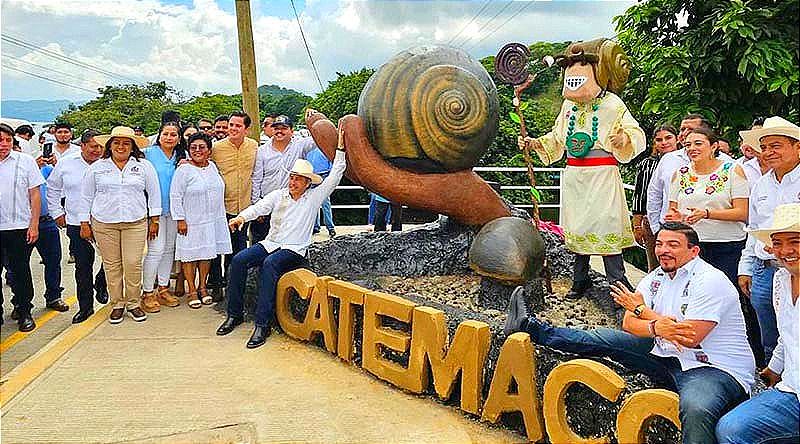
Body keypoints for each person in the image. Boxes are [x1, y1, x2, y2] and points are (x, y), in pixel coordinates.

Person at [505, 222, 755, 444]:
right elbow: (629, 324)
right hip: (664, 355)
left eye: (673, 245)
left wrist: (640, 310)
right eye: (659, 244)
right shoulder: (655, 277)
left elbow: (689, 336)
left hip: (712, 367)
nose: (663, 250)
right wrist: (657, 326)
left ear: (694, 251)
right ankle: (529, 327)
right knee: (601, 338)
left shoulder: (711, 280)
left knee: (696, 408)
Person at [518, 38, 646, 298]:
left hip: (603, 174)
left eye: (582, 64)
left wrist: (624, 139)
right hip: (575, 175)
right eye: (571, 65)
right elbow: (556, 138)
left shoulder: (613, 104)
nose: (575, 71)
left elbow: (634, 132)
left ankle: (617, 285)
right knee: (579, 230)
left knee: (606, 227)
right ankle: (580, 280)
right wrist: (533, 143)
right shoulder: (568, 107)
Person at [216, 126, 347, 349]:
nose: (294, 182)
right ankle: (234, 314)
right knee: (239, 260)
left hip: (294, 249)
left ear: (308, 183)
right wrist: (241, 218)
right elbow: (259, 208)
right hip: (271, 243)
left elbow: (336, 174)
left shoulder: (313, 198)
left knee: (270, 265)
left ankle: (262, 324)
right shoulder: (279, 195)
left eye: (299, 179)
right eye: (292, 177)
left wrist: (341, 148)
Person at [716, 203, 800, 444]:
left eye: (794, 241)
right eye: (778, 243)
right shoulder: (782, 279)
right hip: (792, 390)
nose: (785, 251)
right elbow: (787, 334)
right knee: (730, 429)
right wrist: (773, 369)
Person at [80, 126, 161, 324]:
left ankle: (134, 302)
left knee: (133, 263)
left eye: (126, 143)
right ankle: (117, 304)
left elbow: (154, 193)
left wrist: (155, 219)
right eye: (116, 142)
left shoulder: (143, 166)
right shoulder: (97, 168)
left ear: (132, 146)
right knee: (112, 265)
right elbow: (85, 196)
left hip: (135, 222)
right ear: (109, 145)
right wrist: (84, 222)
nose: (121, 146)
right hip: (104, 223)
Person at [737, 116, 800, 363]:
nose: (768, 152)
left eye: (776, 145)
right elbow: (753, 229)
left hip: (798, 269)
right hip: (765, 271)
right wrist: (746, 268)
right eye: (764, 147)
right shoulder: (762, 185)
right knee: (770, 336)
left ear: (797, 147)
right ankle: (775, 385)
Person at [665, 127, 749, 283]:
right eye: (688, 145)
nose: (692, 148)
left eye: (698, 143)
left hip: (727, 246)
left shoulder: (732, 170)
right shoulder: (680, 173)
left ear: (714, 146)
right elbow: (672, 211)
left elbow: (742, 212)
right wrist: (676, 217)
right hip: (690, 245)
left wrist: (707, 214)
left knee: (725, 291)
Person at [47, 129, 108, 323]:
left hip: (105, 222)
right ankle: (85, 307)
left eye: (100, 147)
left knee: (111, 261)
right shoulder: (66, 163)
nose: (96, 151)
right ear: (82, 145)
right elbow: (53, 189)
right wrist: (57, 212)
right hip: (75, 222)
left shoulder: (108, 164)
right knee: (82, 265)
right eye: (92, 147)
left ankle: (101, 282)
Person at [170, 133, 232, 308]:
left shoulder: (212, 166)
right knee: (189, 256)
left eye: (202, 147)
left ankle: (203, 287)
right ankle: (191, 290)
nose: (197, 150)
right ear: (189, 150)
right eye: (193, 147)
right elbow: (175, 195)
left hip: (212, 220)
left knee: (206, 254)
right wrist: (180, 219)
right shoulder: (184, 169)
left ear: (209, 150)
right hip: (191, 220)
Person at [208, 111, 258, 295]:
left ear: (246, 129)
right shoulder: (216, 148)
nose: (233, 129)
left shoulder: (254, 146)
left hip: (243, 208)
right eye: (231, 125)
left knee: (237, 249)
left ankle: (233, 286)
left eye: (238, 125)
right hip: (220, 207)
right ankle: (215, 285)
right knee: (216, 249)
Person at [250, 114, 319, 242]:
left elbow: (320, 138)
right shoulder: (262, 151)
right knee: (260, 245)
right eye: (276, 128)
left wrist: (314, 120)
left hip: (292, 205)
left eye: (284, 128)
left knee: (287, 245)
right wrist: (257, 205)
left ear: (292, 131)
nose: (279, 131)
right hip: (268, 205)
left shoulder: (300, 145)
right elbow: (256, 179)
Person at [0, 123, 43, 331]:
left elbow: (34, 194)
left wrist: (34, 224)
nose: (4, 144)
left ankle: (24, 310)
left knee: (20, 272)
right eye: (0, 140)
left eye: (8, 140)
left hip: (19, 227)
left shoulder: (25, 161)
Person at [141, 122, 186, 312]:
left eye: (173, 135)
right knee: (156, 250)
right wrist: (152, 217)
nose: (169, 137)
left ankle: (163, 288)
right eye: (165, 134)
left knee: (169, 249)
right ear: (159, 136)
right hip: (154, 212)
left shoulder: (181, 157)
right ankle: (147, 292)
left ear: (178, 138)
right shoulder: (147, 154)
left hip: (174, 211)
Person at [632, 124, 679, 271]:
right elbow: (640, 194)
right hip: (651, 219)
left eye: (668, 138)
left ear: (677, 139)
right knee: (656, 265)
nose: (664, 142)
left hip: (677, 219)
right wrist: (637, 224)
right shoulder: (647, 164)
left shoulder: (687, 160)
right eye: (659, 140)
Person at [307, 146, 336, 237]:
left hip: (323, 176)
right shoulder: (309, 151)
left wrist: (329, 178)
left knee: (325, 203)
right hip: (312, 177)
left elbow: (331, 164)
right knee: (313, 203)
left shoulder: (325, 149)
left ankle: (330, 227)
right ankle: (315, 227)